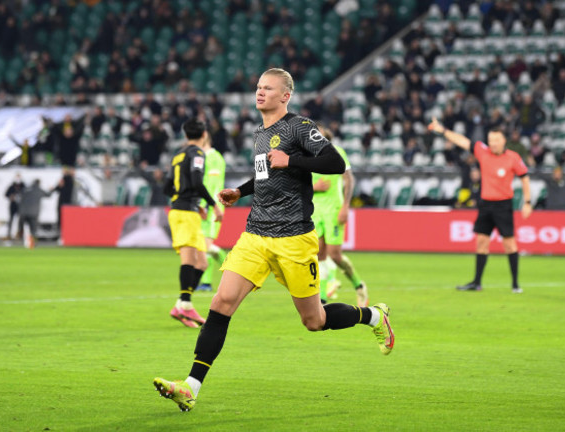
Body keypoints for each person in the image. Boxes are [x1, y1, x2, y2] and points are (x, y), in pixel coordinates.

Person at [153, 68, 394, 411]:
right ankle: (190, 386)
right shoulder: (260, 133)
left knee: (314, 321)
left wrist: (293, 159)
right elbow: (266, 172)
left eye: (268, 88)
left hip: (294, 237)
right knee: (221, 304)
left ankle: (372, 316)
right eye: (258, 87)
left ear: (286, 96)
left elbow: (336, 162)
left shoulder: (299, 126)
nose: (260, 92)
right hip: (255, 234)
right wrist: (241, 190)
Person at [428, 117, 532, 293]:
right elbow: (462, 141)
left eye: (496, 140)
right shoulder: (482, 152)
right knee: (481, 242)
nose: (493, 143)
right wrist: (443, 130)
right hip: (486, 204)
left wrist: (528, 202)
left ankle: (515, 284)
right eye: (490, 140)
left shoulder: (513, 158)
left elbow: (525, 178)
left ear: (503, 140)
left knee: (509, 244)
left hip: (503, 205)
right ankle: (477, 283)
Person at [163, 118, 224, 328]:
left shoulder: (177, 155)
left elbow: (167, 187)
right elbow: (197, 182)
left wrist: (187, 200)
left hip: (182, 210)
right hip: (185, 213)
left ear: (185, 134)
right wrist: (212, 204)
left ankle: (181, 304)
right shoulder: (198, 154)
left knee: (202, 263)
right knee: (189, 261)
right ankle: (186, 305)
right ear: (204, 134)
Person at [312, 126, 368, 306]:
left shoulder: (336, 152)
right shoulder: (307, 155)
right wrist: (314, 187)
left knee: (335, 255)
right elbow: (299, 183)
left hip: (334, 209)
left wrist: (345, 206)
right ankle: (322, 298)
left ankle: (359, 285)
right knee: (318, 254)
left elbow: (349, 179)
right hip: (315, 210)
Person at [196, 134, 227, 292]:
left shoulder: (214, 158)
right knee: (203, 246)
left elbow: (213, 185)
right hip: (205, 206)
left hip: (211, 208)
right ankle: (205, 282)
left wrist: (207, 205)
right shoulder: (205, 158)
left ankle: (229, 267)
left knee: (206, 246)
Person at [19, 179, 53, 249]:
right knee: (33, 229)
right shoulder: (38, 190)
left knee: (25, 228)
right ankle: (32, 243)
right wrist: (51, 189)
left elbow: (20, 196)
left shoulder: (26, 189)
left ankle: (25, 242)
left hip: (24, 212)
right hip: (34, 213)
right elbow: (48, 195)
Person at [4, 173, 25, 239]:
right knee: (11, 219)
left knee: (21, 220)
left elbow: (26, 194)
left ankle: (20, 234)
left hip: (21, 205)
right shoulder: (12, 186)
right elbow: (6, 194)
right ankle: (9, 234)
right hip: (13, 205)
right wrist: (11, 196)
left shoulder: (23, 186)